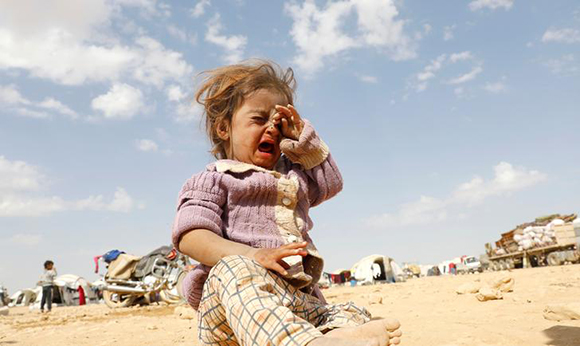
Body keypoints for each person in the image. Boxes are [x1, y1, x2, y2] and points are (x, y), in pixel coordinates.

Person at [172, 60, 402, 346]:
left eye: (278, 124)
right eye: (258, 119)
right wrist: (253, 255)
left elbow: (331, 183)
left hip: (297, 305)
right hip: (234, 309)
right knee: (234, 268)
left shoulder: (293, 177)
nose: (271, 129)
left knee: (348, 310)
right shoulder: (212, 179)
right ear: (223, 128)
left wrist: (304, 141)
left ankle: (336, 336)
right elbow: (191, 237)